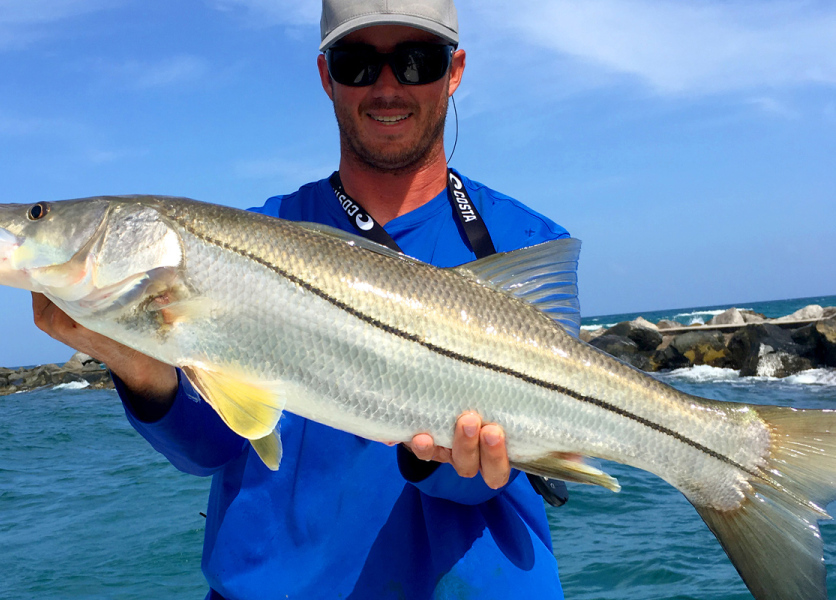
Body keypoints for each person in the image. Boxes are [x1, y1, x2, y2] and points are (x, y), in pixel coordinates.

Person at [32, 1, 572, 598]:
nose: (388, 87)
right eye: (357, 63)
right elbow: (212, 447)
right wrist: (138, 363)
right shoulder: (247, 238)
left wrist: (445, 463)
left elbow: (527, 446)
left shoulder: (519, 240)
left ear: (456, 70)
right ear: (325, 76)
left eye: (418, 61)